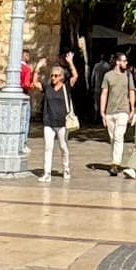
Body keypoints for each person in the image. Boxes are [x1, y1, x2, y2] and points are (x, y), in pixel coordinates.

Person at [37, 53, 79, 182]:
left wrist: (70, 62)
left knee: (63, 146)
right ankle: (47, 173)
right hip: (48, 122)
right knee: (48, 148)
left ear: (61, 77)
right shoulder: (48, 87)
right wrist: (38, 67)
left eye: (56, 75)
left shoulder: (66, 87)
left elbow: (75, 76)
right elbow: (34, 83)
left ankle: (66, 169)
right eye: (52, 75)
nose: (53, 78)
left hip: (62, 122)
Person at [100, 51, 133, 173]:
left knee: (119, 135)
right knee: (113, 137)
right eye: (124, 61)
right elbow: (104, 93)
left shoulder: (128, 76)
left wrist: (132, 108)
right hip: (110, 111)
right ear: (117, 62)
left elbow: (131, 91)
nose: (126, 63)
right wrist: (102, 111)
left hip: (123, 110)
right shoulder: (108, 76)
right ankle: (115, 160)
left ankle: (116, 163)